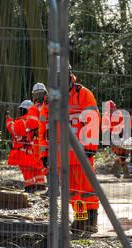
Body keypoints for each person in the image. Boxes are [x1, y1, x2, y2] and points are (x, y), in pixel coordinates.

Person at [39, 66, 101, 237]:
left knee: (87, 188)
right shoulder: (48, 99)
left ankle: (92, 221)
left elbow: (93, 120)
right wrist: (44, 154)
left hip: (82, 152)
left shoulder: (83, 94)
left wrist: (90, 148)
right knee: (72, 190)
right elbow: (43, 128)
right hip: (61, 156)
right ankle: (81, 219)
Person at [6, 100, 46, 193]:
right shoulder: (36, 121)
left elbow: (14, 131)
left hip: (24, 151)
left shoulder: (20, 121)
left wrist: (8, 120)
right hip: (35, 150)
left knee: (26, 170)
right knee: (37, 168)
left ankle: (29, 187)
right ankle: (41, 186)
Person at [102, 100, 132, 179]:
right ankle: (124, 173)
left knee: (122, 155)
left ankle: (115, 171)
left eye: (112, 108)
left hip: (119, 136)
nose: (112, 110)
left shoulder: (116, 114)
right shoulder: (109, 115)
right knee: (121, 155)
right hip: (114, 137)